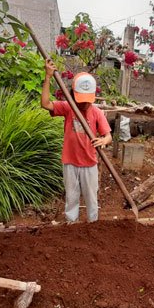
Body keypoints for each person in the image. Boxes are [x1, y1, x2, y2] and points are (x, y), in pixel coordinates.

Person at [41, 59, 112, 223]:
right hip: (70, 162)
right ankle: (71, 225)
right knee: (71, 198)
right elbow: (45, 104)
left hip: (89, 163)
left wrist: (103, 140)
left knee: (91, 198)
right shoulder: (68, 108)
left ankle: (93, 225)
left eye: (88, 100)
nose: (85, 104)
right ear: (73, 95)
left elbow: (108, 135)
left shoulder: (97, 113)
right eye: (81, 99)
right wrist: (48, 76)